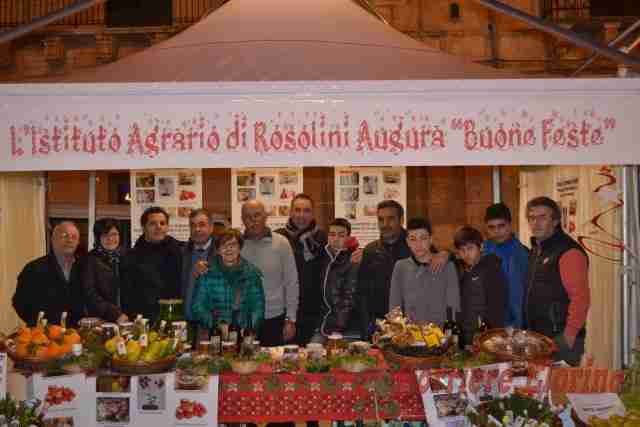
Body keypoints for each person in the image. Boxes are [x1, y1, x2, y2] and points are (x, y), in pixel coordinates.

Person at [524, 196, 590, 366]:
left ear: (555, 221)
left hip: (561, 340)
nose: (535, 223)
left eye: (542, 217)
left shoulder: (568, 252)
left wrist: (568, 336)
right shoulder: (538, 250)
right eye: (531, 218)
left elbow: (581, 299)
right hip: (539, 339)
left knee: (561, 391)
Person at [241, 200, 298, 346]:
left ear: (266, 216)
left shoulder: (281, 243)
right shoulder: (235, 245)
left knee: (272, 365)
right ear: (242, 219)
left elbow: (291, 283)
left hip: (274, 319)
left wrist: (291, 319)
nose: (253, 220)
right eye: (248, 216)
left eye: (257, 215)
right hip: (243, 319)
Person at [275, 193, 327, 345]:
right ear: (290, 212)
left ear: (312, 213)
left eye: (306, 211)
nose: (301, 215)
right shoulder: (278, 238)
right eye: (297, 210)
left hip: (313, 311)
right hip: (284, 312)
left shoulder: (323, 238)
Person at [357, 200, 412, 339]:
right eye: (381, 219)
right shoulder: (370, 250)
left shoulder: (415, 246)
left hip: (410, 325)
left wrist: (446, 255)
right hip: (378, 326)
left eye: (390, 219)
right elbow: (362, 292)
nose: (385, 224)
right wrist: (367, 327)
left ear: (401, 220)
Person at [13, 221, 86, 326]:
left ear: (78, 242)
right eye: (64, 236)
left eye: (74, 237)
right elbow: (19, 302)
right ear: (53, 239)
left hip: (77, 334)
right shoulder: (34, 268)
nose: (69, 240)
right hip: (45, 335)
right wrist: (40, 324)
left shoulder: (85, 268)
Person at [191, 229, 265, 332]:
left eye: (233, 245)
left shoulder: (251, 273)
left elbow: (258, 307)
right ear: (218, 249)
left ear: (240, 248)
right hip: (214, 334)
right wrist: (217, 325)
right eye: (223, 245)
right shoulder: (206, 273)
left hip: (244, 334)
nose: (228, 249)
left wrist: (248, 328)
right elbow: (197, 307)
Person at [388, 217, 459, 324]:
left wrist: (451, 334)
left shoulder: (447, 266)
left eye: (423, 238)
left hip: (440, 335)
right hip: (411, 335)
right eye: (413, 239)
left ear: (431, 239)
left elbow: (454, 305)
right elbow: (394, 307)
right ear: (407, 242)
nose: (418, 244)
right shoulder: (400, 267)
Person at [120, 206, 183, 320]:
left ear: (167, 227)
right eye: (152, 223)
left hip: (175, 317)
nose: (158, 227)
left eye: (162, 223)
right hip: (144, 319)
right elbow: (127, 294)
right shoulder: (131, 257)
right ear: (144, 228)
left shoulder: (180, 251)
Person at [454, 226, 508, 345]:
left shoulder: (491, 270)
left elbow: (497, 308)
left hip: (485, 336)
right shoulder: (463, 271)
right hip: (466, 335)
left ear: (481, 247)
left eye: (470, 248)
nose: (466, 254)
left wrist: (491, 335)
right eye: (462, 250)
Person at [312, 218, 359, 342]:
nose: (336, 238)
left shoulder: (353, 259)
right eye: (332, 234)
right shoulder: (322, 256)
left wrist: (338, 326)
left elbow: (349, 298)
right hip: (321, 322)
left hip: (344, 327)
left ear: (348, 238)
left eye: (341, 235)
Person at [483, 203, 529, 329]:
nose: (496, 231)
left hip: (512, 325)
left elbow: (518, 296)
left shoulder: (522, 254)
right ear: (486, 229)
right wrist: (446, 254)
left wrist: (516, 326)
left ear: (510, 225)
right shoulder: (484, 248)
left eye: (501, 226)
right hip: (487, 322)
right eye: (491, 227)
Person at [81, 218, 128, 323]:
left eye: (114, 234)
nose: (110, 238)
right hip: (101, 319)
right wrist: (115, 314)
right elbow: (89, 293)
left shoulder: (126, 257)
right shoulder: (90, 260)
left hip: (126, 317)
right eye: (105, 235)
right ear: (98, 238)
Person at [182, 209, 217, 324]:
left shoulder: (223, 252)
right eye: (193, 225)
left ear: (211, 228)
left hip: (213, 324)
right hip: (186, 323)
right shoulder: (182, 253)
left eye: (202, 225)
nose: (197, 229)